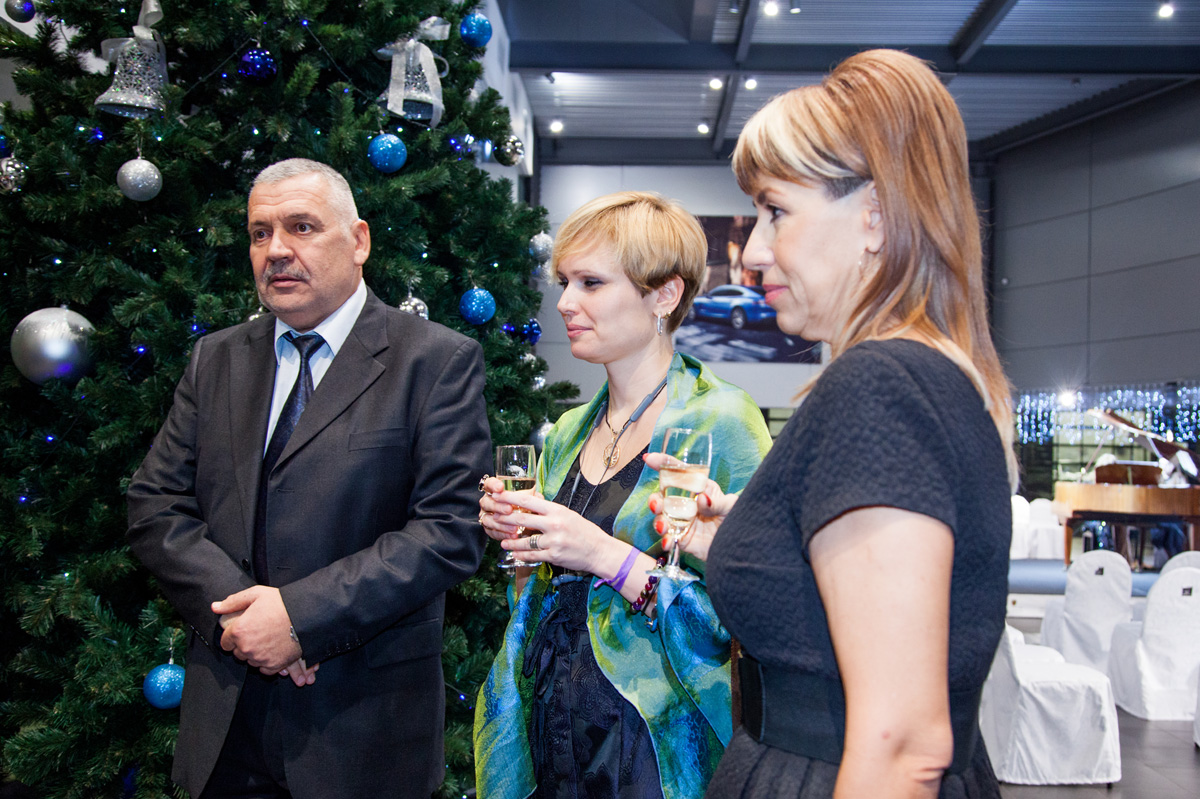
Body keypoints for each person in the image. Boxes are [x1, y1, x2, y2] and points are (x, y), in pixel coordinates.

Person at [656, 50, 1018, 798]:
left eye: (776, 211)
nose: (755, 251)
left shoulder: (881, 386)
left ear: (874, 218)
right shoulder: (920, 374)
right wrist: (750, 539)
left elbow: (901, 744)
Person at [126, 158, 491, 798]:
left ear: (359, 241)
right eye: (259, 233)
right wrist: (246, 623)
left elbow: (449, 530)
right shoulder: (216, 358)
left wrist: (299, 619)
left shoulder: (435, 361)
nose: (276, 251)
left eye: (301, 227)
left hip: (362, 729)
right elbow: (156, 504)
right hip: (226, 724)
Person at [472, 191, 773, 799]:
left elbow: (754, 612)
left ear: (664, 295)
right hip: (557, 726)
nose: (565, 303)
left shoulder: (720, 421)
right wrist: (521, 540)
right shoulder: (569, 431)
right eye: (564, 282)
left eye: (591, 282)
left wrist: (602, 553)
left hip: (653, 747)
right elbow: (543, 596)